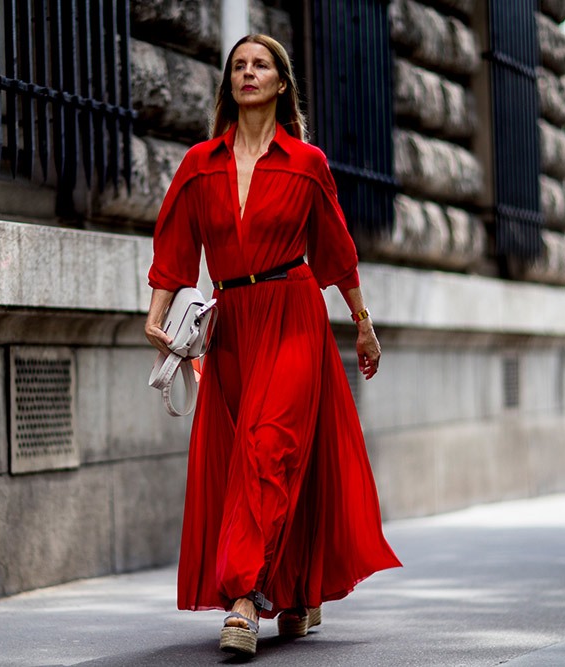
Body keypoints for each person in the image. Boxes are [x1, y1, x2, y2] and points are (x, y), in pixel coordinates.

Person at [144, 34, 401, 659]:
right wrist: (158, 324)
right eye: (238, 66)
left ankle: (241, 598)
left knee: (270, 447)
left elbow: (337, 252)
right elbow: (175, 253)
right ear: (229, 83)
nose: (248, 73)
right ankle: (294, 588)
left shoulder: (306, 162)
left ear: (281, 82)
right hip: (231, 324)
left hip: (292, 312)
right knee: (252, 458)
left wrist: (362, 322)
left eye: (260, 65)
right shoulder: (200, 163)